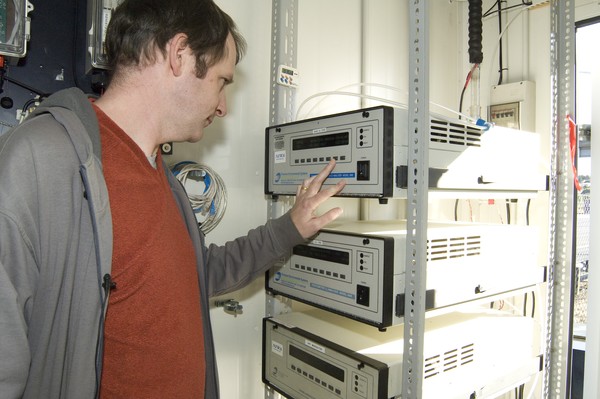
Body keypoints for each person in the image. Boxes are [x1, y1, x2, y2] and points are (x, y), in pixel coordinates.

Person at [0, 0, 345, 398]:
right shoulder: (42, 159)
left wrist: (290, 229)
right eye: (221, 81)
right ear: (180, 55)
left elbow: (194, 275)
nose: (222, 106)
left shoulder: (160, 174)